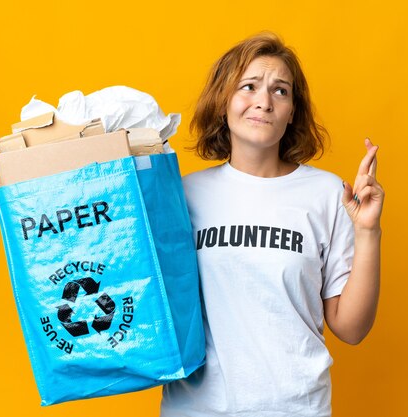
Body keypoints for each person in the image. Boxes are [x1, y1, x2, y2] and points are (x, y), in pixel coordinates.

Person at [161, 32, 384, 417]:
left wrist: (367, 231)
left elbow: (351, 328)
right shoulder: (183, 196)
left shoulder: (326, 193)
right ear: (223, 101)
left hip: (295, 408)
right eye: (248, 87)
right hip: (195, 408)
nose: (264, 101)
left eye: (280, 91)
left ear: (293, 110)